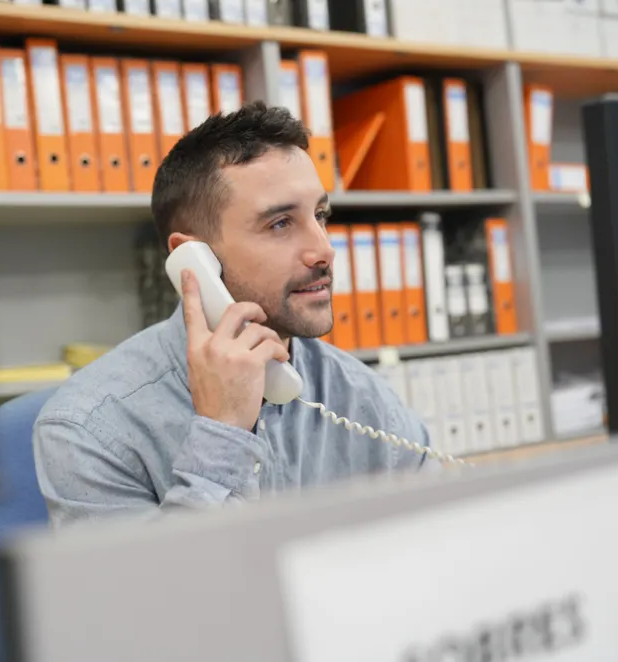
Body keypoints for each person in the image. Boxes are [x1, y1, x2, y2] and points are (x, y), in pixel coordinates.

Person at [33, 102, 436, 530]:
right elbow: (158, 579)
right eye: (280, 223)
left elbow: (441, 545)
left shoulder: (362, 398)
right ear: (194, 258)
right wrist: (222, 433)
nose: (324, 250)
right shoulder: (86, 428)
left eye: (320, 215)